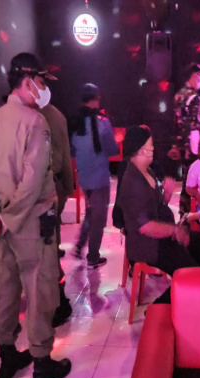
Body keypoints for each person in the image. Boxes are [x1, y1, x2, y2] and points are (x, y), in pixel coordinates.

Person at [0, 52, 71, 378]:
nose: (44, 89)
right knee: (40, 289)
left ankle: (7, 357)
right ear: (28, 82)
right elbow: (32, 181)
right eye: (41, 82)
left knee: (6, 289)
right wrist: (10, 217)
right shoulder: (35, 122)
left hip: (2, 225)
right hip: (31, 222)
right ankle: (42, 365)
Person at [117, 126, 200, 304]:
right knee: (189, 273)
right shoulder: (133, 183)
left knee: (198, 241)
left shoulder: (148, 172)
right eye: (150, 145)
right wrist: (174, 231)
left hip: (160, 236)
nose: (153, 148)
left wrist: (167, 194)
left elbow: (156, 206)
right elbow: (145, 227)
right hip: (148, 245)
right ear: (140, 150)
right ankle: (157, 309)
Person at [69, 84, 119, 268]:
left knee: (91, 212)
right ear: (96, 99)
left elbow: (72, 150)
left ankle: (79, 247)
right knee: (98, 218)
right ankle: (92, 257)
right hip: (99, 177)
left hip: (83, 176)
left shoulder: (74, 122)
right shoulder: (102, 122)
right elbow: (112, 149)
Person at [39, 103, 75, 328]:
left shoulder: (42, 115)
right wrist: (68, 186)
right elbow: (64, 155)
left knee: (46, 249)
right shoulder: (55, 115)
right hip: (49, 189)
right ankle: (56, 301)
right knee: (49, 247)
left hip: (40, 192)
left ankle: (55, 302)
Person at [172, 63, 200, 217]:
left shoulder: (178, 94)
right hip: (191, 146)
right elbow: (193, 126)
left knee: (186, 179)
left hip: (180, 143)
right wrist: (197, 150)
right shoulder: (195, 97)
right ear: (193, 76)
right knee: (192, 181)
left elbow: (176, 122)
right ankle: (188, 216)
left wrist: (176, 144)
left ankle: (183, 214)